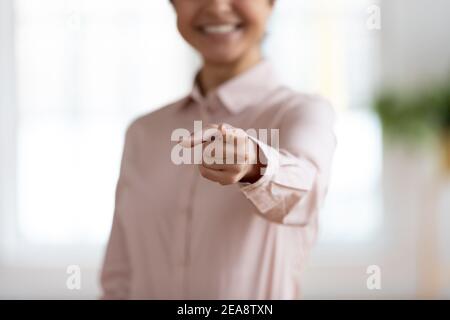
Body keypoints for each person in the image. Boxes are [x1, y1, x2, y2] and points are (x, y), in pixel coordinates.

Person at [100, 0, 337, 299]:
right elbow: (119, 275)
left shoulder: (302, 113)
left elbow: (305, 193)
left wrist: (255, 167)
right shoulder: (143, 132)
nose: (217, 6)